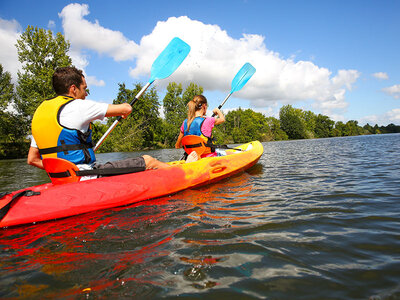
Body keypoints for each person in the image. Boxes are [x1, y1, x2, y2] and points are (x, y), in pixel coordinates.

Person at [28, 66, 197, 180]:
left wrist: (64, 171)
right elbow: (125, 109)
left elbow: (32, 159)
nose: (86, 93)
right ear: (73, 88)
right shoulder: (77, 106)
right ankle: (184, 172)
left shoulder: (40, 113)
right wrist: (124, 111)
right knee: (148, 160)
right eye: (84, 88)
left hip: (62, 180)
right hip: (84, 177)